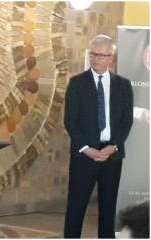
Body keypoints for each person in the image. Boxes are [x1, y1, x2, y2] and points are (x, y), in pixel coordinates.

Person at [64, 34, 133, 238]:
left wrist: (114, 146)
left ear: (111, 58)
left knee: (107, 208)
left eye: (101, 55)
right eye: (93, 54)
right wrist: (87, 149)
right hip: (84, 156)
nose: (96, 59)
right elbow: (70, 121)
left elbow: (126, 121)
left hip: (112, 156)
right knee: (76, 207)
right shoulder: (76, 83)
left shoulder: (123, 85)